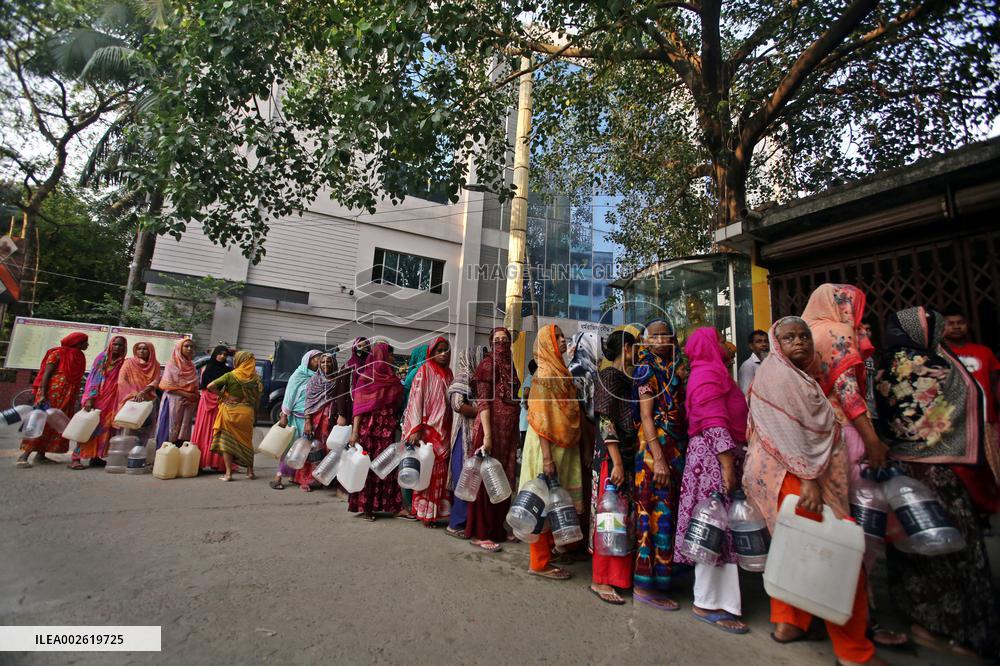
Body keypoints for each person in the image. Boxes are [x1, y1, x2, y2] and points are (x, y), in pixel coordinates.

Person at [743, 316, 882, 666]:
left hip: (787, 474)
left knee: (795, 549)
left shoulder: (800, 376)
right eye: (788, 338)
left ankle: (789, 623)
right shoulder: (779, 376)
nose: (799, 342)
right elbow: (788, 433)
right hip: (794, 476)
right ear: (777, 343)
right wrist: (807, 478)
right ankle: (854, 652)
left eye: (803, 336)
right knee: (836, 556)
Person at [876, 307, 999, 658]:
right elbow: (962, 404)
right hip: (937, 470)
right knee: (950, 546)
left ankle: (919, 618)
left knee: (912, 545)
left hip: (899, 469)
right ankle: (950, 626)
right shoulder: (932, 365)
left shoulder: (882, 364)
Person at [675, 327, 749, 633]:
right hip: (712, 461)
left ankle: (720, 600)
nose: (724, 344)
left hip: (715, 458)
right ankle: (706, 601)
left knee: (719, 529)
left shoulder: (713, 372)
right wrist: (727, 466)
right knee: (713, 527)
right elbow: (714, 423)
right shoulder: (707, 376)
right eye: (718, 339)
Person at [802, 284, 889, 474]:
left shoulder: (803, 334)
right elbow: (846, 391)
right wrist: (872, 440)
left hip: (814, 429)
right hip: (845, 426)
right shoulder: (837, 332)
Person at [630, 318, 687, 608]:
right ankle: (644, 585)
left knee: (668, 511)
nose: (663, 339)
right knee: (651, 512)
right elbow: (646, 416)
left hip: (674, 446)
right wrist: (660, 459)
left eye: (668, 334)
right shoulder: (646, 369)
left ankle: (664, 579)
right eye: (656, 336)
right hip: (653, 450)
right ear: (647, 341)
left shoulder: (675, 367)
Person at [521, 324, 582, 581]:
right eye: (556, 337)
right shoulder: (546, 375)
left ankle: (549, 551)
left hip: (563, 447)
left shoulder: (561, 372)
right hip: (546, 447)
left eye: (562, 336)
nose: (562, 340)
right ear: (547, 343)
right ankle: (539, 562)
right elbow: (542, 418)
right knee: (543, 501)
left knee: (556, 501)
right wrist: (546, 458)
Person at [590, 330, 638, 605]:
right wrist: (616, 459)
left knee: (620, 517)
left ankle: (617, 576)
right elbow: (605, 419)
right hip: (612, 454)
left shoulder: (626, 378)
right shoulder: (609, 376)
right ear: (628, 348)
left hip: (623, 452)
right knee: (611, 516)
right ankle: (601, 578)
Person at [465, 327, 521, 551]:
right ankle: (481, 533)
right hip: (490, 431)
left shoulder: (511, 366)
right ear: (490, 343)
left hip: (507, 433)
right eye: (496, 340)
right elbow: (484, 403)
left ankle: (497, 528)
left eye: (505, 340)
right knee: (487, 480)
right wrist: (487, 435)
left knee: (503, 480)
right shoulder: (487, 366)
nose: (501, 344)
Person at [16, 332, 89, 468]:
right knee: (42, 422)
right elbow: (46, 374)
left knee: (57, 424)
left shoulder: (79, 356)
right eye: (85, 342)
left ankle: (41, 455)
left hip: (68, 396)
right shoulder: (57, 353)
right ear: (77, 343)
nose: (87, 345)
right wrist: (42, 394)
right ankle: (24, 456)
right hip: (51, 394)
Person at [402, 337, 454, 526]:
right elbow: (415, 399)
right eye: (439, 350)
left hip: (444, 430)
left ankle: (436, 513)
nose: (443, 354)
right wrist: (415, 428)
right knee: (427, 472)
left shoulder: (449, 374)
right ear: (431, 353)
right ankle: (424, 513)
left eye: (446, 350)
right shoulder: (424, 371)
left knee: (440, 472)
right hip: (427, 431)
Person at [349, 341, 404, 520]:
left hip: (386, 430)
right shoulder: (366, 378)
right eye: (389, 354)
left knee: (385, 465)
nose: (392, 358)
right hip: (369, 431)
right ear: (381, 356)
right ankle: (366, 508)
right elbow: (358, 408)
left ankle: (386, 505)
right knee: (366, 467)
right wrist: (355, 432)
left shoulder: (393, 379)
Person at [444, 345, 487, 538]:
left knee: (471, 478)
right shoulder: (463, 377)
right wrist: (482, 409)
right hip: (465, 434)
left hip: (474, 433)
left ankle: (466, 521)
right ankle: (455, 524)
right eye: (481, 356)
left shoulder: (476, 378)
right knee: (465, 477)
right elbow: (457, 404)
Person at [70, 335, 126, 470]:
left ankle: (95, 456)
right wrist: (90, 398)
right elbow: (94, 378)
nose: (117, 347)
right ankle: (75, 458)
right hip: (97, 398)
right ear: (111, 345)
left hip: (111, 401)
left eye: (120, 345)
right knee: (88, 427)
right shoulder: (102, 358)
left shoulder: (121, 362)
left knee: (105, 429)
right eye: (115, 344)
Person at [301, 352, 353, 491]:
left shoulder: (338, 380)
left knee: (330, 449)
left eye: (328, 362)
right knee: (313, 449)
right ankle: (310, 479)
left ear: (333, 364)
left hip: (332, 420)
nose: (325, 365)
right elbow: (308, 402)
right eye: (322, 362)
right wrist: (308, 421)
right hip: (317, 420)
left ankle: (325, 478)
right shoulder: (314, 380)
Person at [206, 350, 260, 482]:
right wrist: (254, 414)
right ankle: (250, 472)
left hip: (230, 411)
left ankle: (229, 474)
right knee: (247, 442)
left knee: (226, 443)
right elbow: (257, 399)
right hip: (247, 412)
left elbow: (210, 386)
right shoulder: (256, 379)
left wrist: (223, 397)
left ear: (239, 361)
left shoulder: (231, 375)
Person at [569, 331, 603, 539]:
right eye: (596, 344)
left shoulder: (591, 369)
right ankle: (576, 538)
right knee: (581, 487)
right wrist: (588, 447)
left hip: (591, 432)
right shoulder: (579, 371)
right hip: (584, 436)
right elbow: (579, 411)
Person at [271, 349, 321, 491]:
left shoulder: (318, 376)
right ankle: (278, 477)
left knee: (305, 450)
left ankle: (298, 477)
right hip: (295, 418)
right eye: (317, 358)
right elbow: (289, 395)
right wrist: (284, 415)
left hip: (309, 417)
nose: (319, 361)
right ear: (309, 360)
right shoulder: (298, 375)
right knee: (290, 448)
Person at [942, 306, 1000, 423]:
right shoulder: (938, 354)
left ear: (968, 325)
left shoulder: (985, 352)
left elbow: (995, 385)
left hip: (986, 418)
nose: (956, 327)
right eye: (950, 323)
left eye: (960, 322)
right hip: (952, 421)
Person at [399, 344, 429, 518]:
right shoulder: (423, 371)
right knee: (419, 462)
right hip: (421, 423)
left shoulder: (414, 372)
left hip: (411, 421)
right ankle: (416, 503)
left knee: (411, 461)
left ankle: (412, 503)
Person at [192, 346, 230, 473]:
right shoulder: (206, 368)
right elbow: (204, 387)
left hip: (220, 404)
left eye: (225, 354)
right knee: (203, 430)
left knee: (217, 431)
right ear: (215, 354)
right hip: (207, 403)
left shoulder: (228, 371)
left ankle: (217, 463)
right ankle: (200, 462)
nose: (222, 356)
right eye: (220, 354)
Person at [156, 339, 199, 448]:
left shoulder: (192, 367)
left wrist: (192, 397)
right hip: (172, 402)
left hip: (186, 404)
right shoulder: (172, 364)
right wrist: (187, 395)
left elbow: (195, 387)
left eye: (192, 347)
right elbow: (167, 386)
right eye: (186, 346)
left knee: (183, 433)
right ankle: (162, 459)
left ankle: (177, 459)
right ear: (180, 348)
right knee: (168, 430)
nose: (189, 349)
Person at [116, 342, 161, 444]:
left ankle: (140, 454)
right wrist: (135, 394)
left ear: (150, 351)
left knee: (146, 429)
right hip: (131, 400)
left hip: (149, 400)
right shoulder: (128, 363)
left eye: (145, 349)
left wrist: (144, 392)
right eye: (139, 348)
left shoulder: (155, 365)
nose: (141, 351)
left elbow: (156, 380)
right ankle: (126, 454)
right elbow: (122, 381)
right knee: (129, 428)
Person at [738, 329, 769, 394]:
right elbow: (746, 392)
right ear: (751, 346)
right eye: (759, 342)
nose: (764, 344)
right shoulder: (748, 366)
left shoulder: (770, 363)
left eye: (766, 341)